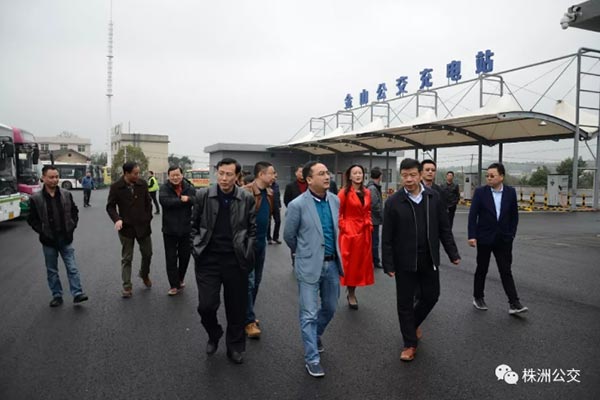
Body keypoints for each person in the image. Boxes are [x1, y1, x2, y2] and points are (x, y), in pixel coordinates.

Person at [382, 158, 460, 362]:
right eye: (404, 175)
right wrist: (388, 263)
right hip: (404, 260)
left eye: (412, 175)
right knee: (405, 303)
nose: (408, 179)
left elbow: (444, 228)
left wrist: (453, 253)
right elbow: (387, 236)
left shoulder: (433, 197)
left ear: (420, 175)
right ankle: (409, 344)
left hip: (428, 258)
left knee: (431, 296)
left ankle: (412, 324)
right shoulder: (393, 202)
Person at [191, 158, 256, 364]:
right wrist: (195, 247)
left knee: (236, 308)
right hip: (208, 259)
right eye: (221, 173)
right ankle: (214, 333)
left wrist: (248, 252)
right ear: (216, 173)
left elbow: (253, 230)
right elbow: (193, 225)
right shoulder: (203, 195)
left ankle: (235, 347)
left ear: (237, 176)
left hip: (236, 260)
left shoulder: (246, 198)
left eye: (229, 174)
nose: (224, 178)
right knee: (206, 306)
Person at [283, 161, 344, 378]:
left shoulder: (335, 200)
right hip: (308, 265)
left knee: (330, 307)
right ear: (309, 179)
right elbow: (289, 236)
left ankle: (315, 333)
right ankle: (312, 358)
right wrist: (305, 253)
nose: (327, 177)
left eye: (327, 173)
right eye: (321, 174)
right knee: (308, 313)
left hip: (332, 264)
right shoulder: (297, 205)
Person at [468, 163, 528, 315]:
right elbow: (473, 215)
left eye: (492, 175)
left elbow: (514, 216)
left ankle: (514, 303)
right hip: (485, 237)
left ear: (501, 177)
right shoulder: (480, 192)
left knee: (505, 270)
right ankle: (478, 297)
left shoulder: (510, 192)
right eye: (487, 176)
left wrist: (511, 234)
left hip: (503, 239)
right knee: (482, 268)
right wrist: (472, 235)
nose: (489, 178)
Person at [28, 165, 89, 307]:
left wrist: (72, 226)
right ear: (43, 178)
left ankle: (77, 293)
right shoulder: (36, 198)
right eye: (51, 177)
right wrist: (42, 231)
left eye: (56, 177)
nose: (54, 180)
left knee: (72, 267)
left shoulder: (66, 194)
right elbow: (32, 219)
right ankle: (57, 295)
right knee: (52, 270)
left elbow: (74, 211)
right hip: (48, 240)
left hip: (65, 238)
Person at [106, 161, 153, 298]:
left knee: (148, 254)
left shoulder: (142, 184)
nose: (138, 176)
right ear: (126, 173)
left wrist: (147, 217)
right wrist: (117, 219)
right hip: (126, 228)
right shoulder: (116, 187)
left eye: (138, 173)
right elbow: (110, 207)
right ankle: (127, 286)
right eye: (135, 173)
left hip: (143, 226)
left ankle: (144, 274)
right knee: (127, 258)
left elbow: (148, 202)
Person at [242, 161, 274, 339]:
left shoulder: (269, 193)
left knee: (256, 281)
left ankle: (247, 313)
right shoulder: (245, 192)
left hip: (261, 244)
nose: (274, 176)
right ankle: (248, 320)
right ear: (261, 174)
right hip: (247, 244)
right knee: (249, 281)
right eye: (272, 173)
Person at [338, 164, 374, 309]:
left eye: (360, 172)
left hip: (364, 232)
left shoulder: (367, 192)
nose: (358, 175)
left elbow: (368, 210)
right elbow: (338, 213)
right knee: (350, 265)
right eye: (355, 173)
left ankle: (353, 291)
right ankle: (351, 293)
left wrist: (369, 221)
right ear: (350, 176)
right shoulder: (344, 192)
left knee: (360, 265)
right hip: (350, 233)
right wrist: (345, 227)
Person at [159, 166, 196, 296]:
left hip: (186, 229)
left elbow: (196, 200)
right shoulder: (164, 188)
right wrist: (182, 200)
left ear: (182, 175)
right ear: (168, 176)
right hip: (169, 229)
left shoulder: (189, 187)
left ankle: (180, 279)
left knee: (185, 257)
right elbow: (165, 202)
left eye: (177, 175)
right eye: (172, 175)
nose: (175, 177)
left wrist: (189, 199)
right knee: (171, 258)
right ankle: (174, 285)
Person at [366, 167, 383, 269]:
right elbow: (374, 205)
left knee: (373, 241)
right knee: (374, 241)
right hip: (373, 219)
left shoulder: (372, 187)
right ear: (380, 176)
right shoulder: (373, 188)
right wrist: (381, 215)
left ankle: (373, 259)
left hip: (373, 219)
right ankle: (375, 261)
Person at [267, 170, 282, 245]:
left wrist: (279, 205)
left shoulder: (276, 185)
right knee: (268, 223)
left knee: (278, 221)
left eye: (276, 177)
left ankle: (275, 237)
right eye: (274, 176)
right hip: (268, 206)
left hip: (276, 206)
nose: (275, 178)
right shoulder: (266, 185)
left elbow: (278, 195)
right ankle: (268, 238)